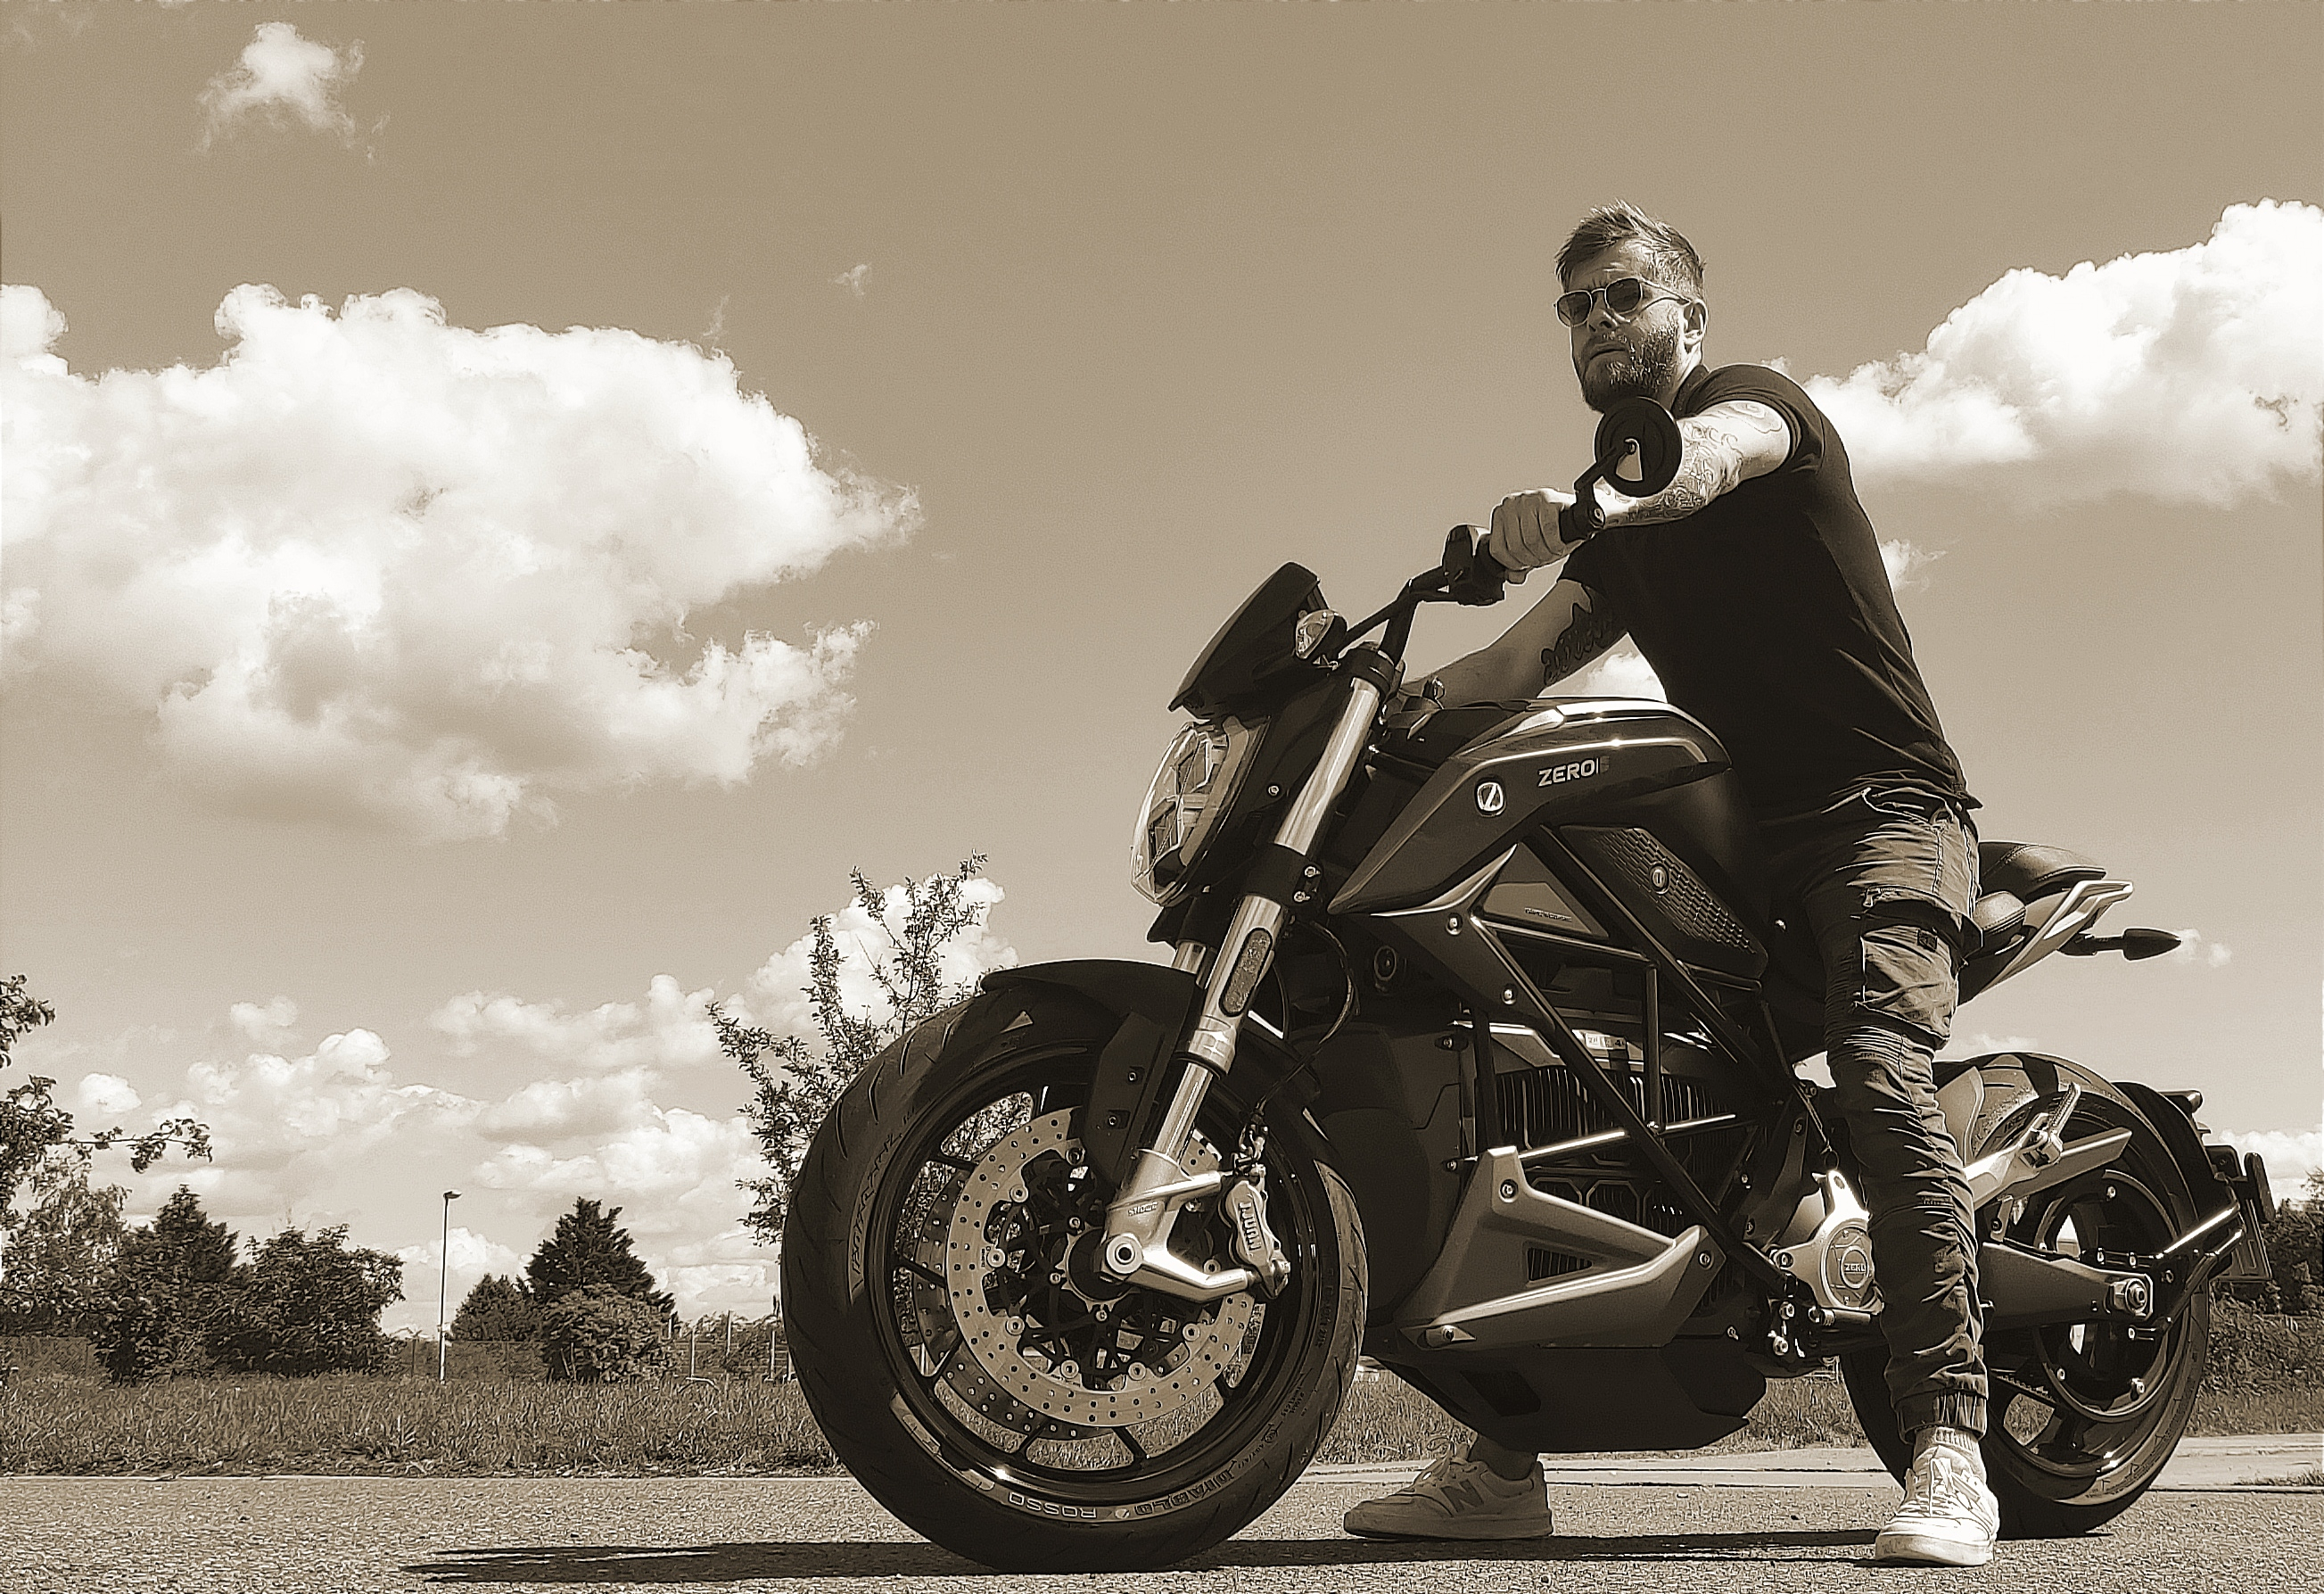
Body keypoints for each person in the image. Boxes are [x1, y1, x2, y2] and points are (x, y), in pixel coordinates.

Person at [1342, 203, 1999, 1567]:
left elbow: (1710, 458)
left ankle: (1948, 1439)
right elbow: (1506, 669)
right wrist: (1362, 714)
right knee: (1574, 1073)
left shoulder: (1753, 416)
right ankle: (1506, 1457)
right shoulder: (1621, 546)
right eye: (1576, 304)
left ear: (1687, 318)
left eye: (1622, 295)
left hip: (1880, 817)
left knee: (1878, 1065)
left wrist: (1601, 490)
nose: (1596, 319)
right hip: (1741, 852)